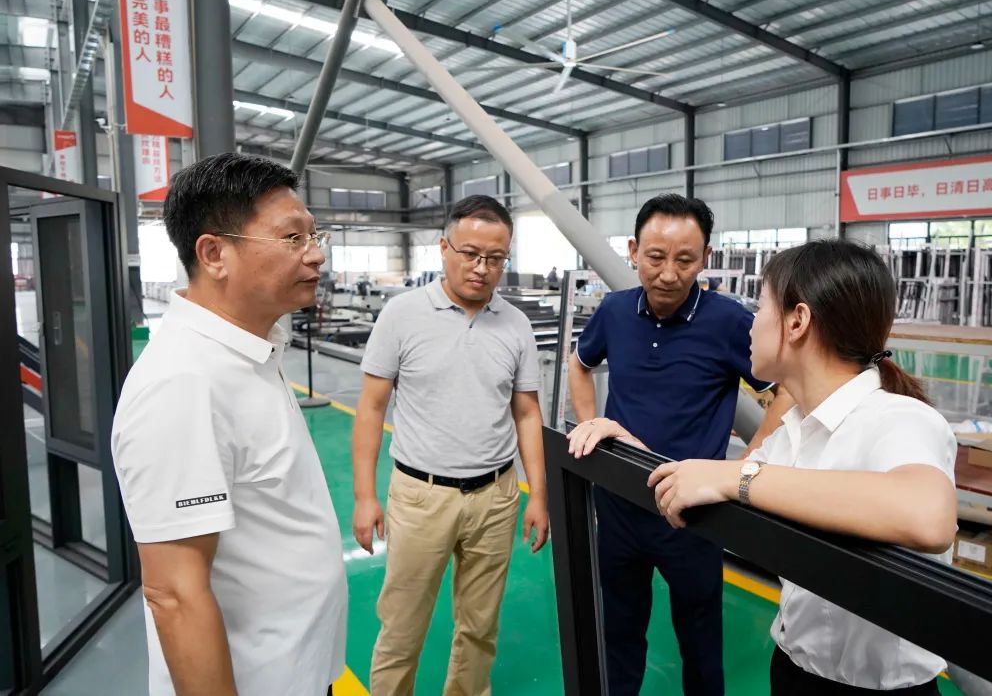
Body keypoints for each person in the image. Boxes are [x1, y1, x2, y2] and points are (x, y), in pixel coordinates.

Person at [648, 239, 957, 694]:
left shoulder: (898, 419)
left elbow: (927, 516)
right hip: (794, 670)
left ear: (797, 321)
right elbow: (712, 489)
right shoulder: (790, 433)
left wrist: (738, 476)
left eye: (760, 306)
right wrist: (626, 443)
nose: (751, 323)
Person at [110, 153, 347, 696]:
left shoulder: (251, 350)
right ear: (214, 254)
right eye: (292, 238)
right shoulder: (183, 383)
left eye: (314, 236)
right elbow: (174, 594)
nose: (316, 254)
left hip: (299, 671)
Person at [566, 193, 793, 696]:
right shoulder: (615, 311)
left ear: (705, 257)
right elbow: (579, 364)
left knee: (700, 641)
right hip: (619, 504)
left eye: (685, 260)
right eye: (655, 257)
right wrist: (590, 427)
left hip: (691, 516)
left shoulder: (729, 321)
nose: (668, 274)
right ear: (633, 251)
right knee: (619, 632)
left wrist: (749, 460)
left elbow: (786, 390)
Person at [353, 195, 550, 696]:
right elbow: (372, 407)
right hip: (421, 497)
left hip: (496, 498)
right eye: (470, 254)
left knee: (480, 627)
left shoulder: (516, 324)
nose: (482, 268)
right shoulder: (402, 315)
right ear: (444, 248)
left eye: (496, 258)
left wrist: (538, 496)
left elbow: (527, 413)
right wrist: (365, 496)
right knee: (402, 625)